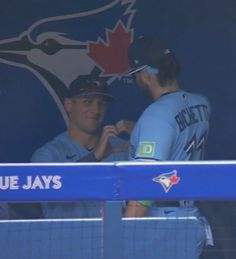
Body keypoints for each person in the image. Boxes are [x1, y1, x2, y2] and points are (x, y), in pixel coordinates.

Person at [123, 36, 213, 255]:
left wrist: (123, 227)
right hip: (189, 219)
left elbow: (146, 184)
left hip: (159, 228)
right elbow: (176, 135)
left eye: (135, 76)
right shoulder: (202, 103)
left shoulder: (156, 115)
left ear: (145, 75)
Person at [31, 75, 133, 218]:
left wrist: (140, 134)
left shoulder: (121, 149)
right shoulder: (48, 155)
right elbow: (56, 189)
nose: (96, 110)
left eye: (101, 103)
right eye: (88, 102)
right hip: (65, 238)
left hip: (111, 238)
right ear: (69, 105)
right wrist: (95, 157)